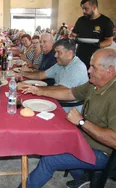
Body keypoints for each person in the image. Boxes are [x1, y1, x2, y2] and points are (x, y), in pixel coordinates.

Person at [18, 48, 116, 188]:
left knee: (50, 160)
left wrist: (82, 122)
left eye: (94, 67)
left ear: (110, 70)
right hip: (82, 138)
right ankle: (82, 177)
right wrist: (39, 91)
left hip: (102, 153)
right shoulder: (94, 84)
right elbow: (70, 93)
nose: (89, 71)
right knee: (48, 136)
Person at [19, 38, 89, 112]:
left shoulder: (77, 67)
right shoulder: (60, 64)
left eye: (58, 52)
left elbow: (63, 90)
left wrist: (37, 89)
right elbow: (41, 75)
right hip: (55, 101)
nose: (55, 55)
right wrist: (22, 73)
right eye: (55, 52)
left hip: (68, 110)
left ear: (70, 53)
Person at [71, 0, 114, 69]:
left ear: (94, 7)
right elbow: (73, 34)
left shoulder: (106, 22)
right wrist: (74, 39)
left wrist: (98, 45)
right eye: (83, 9)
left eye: (86, 9)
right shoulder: (81, 20)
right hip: (80, 56)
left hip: (95, 57)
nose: (84, 11)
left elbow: (109, 40)